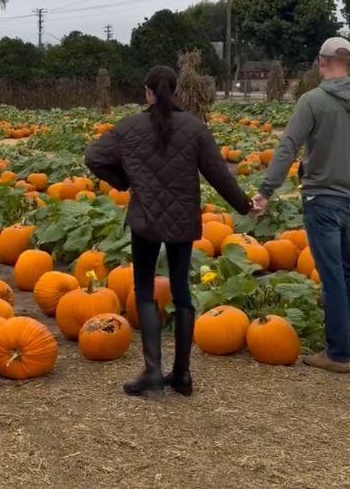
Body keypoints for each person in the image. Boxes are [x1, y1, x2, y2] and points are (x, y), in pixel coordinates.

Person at [86, 66, 252, 397]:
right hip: (182, 220)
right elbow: (219, 174)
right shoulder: (193, 127)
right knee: (182, 292)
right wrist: (245, 206)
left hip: (146, 219)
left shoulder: (130, 127)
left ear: (148, 92)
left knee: (145, 291)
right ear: (173, 91)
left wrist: (125, 181)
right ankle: (182, 375)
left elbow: (93, 156)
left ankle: (151, 372)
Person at [253, 36, 350, 373]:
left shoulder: (312, 101)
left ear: (321, 61)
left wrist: (266, 189)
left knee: (332, 277)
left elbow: (288, 147)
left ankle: (338, 354)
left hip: (321, 198)